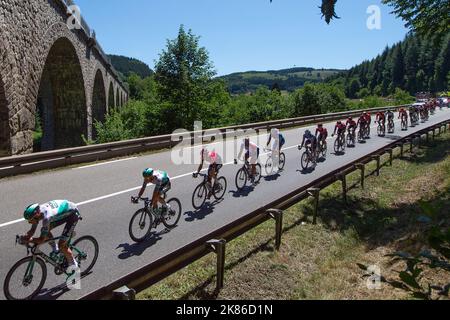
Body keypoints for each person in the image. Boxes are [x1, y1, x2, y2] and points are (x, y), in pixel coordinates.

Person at [21, 200, 81, 271]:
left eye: (30, 220)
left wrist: (28, 240)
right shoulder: (38, 212)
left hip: (72, 214)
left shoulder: (46, 217)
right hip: (63, 212)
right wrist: (24, 237)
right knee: (45, 230)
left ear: (36, 215)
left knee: (61, 245)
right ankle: (55, 249)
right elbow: (32, 231)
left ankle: (74, 264)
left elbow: (41, 239)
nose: (29, 222)